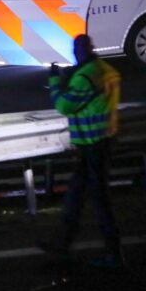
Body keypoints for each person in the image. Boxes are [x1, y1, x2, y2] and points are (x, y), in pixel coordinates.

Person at [46, 33, 124, 269]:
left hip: (93, 145)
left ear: (81, 50)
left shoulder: (85, 77)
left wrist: (55, 82)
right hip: (102, 142)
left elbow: (64, 105)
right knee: (75, 195)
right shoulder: (107, 69)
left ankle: (114, 256)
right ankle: (62, 245)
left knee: (99, 201)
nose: (75, 53)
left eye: (77, 49)